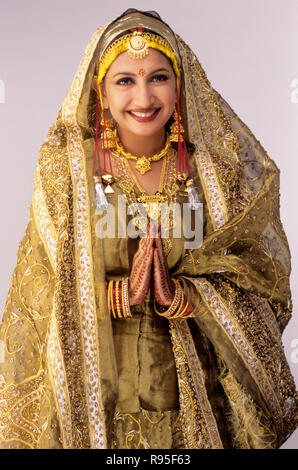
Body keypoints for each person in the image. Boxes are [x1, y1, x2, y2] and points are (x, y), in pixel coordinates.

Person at [0, 8, 297, 449]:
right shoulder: (67, 171)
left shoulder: (213, 177)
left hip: (196, 401)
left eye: (158, 77)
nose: (143, 96)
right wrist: (112, 297)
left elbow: (262, 283)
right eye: (125, 80)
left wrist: (190, 297)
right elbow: (36, 293)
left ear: (180, 85)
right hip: (97, 403)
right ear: (100, 90)